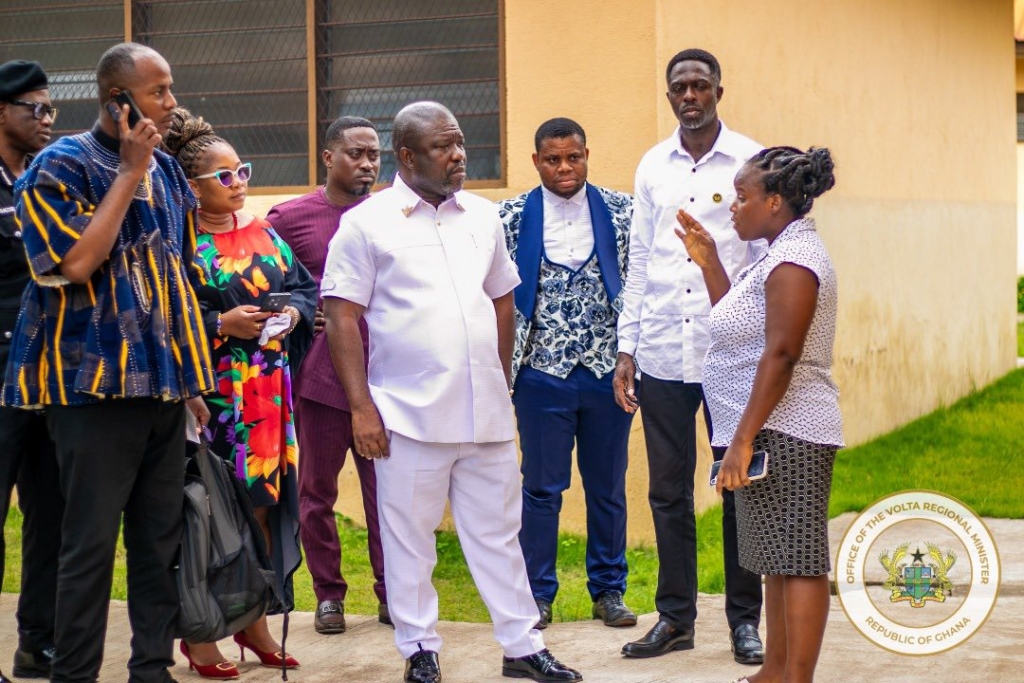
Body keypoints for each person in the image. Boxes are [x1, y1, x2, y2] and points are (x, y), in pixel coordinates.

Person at [322, 101, 582, 683]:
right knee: (410, 540)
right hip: (407, 416)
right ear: (408, 156)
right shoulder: (367, 223)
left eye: (460, 142)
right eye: (443, 146)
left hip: (484, 412)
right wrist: (361, 409)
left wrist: (500, 377)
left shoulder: (483, 218)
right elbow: (341, 316)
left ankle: (522, 646)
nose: (459, 155)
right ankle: (419, 649)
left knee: (500, 535)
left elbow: (502, 299)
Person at [2, 43, 213, 683]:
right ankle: (74, 674)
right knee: (88, 545)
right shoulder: (58, 166)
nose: (171, 104)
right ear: (118, 100)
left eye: (170, 89)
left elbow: (175, 278)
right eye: (157, 93)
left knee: (158, 543)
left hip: (162, 389)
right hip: (91, 394)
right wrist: (127, 172)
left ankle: (152, 669)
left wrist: (190, 382)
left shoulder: (169, 173)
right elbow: (73, 264)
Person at [614, 48, 765, 662]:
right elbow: (640, 260)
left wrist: (757, 342)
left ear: (719, 92)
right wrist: (626, 348)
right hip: (662, 353)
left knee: (740, 486)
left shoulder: (752, 161)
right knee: (667, 492)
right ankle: (675, 618)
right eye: (680, 87)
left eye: (700, 85)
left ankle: (744, 621)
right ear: (669, 94)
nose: (690, 96)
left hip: (728, 352)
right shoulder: (653, 165)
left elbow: (763, 257)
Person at [675, 146, 842, 683]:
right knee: (776, 558)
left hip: (791, 430)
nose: (734, 206)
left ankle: (796, 678)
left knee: (799, 559)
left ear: (774, 202)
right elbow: (740, 327)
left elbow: (782, 353)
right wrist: (710, 263)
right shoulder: (773, 254)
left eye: (742, 196)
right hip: (767, 427)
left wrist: (743, 440)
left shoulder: (795, 262)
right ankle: (774, 671)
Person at [164, 107, 317, 679]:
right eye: (223, 176)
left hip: (269, 395)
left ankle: (253, 622)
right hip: (214, 396)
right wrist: (219, 324)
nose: (238, 183)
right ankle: (201, 635)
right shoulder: (178, 242)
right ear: (192, 186)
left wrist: (292, 315)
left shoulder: (263, 231)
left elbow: (303, 288)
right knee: (212, 512)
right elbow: (165, 314)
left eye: (242, 171)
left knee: (262, 507)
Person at [497, 117, 635, 630]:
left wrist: (631, 356)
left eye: (573, 157)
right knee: (540, 488)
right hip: (541, 372)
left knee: (607, 486)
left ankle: (609, 591)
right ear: (536, 161)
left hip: (607, 372)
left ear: (586, 155)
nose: (564, 168)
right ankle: (537, 594)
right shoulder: (509, 217)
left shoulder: (623, 211)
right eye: (552, 159)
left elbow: (639, 284)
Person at [266, 115, 389, 634]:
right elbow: (265, 283)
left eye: (374, 155)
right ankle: (329, 596)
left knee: (387, 494)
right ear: (328, 157)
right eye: (355, 154)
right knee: (317, 492)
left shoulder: (391, 213)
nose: (366, 164)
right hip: (321, 379)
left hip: (386, 375)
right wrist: (301, 310)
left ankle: (392, 593)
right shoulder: (290, 218)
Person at [0, 59, 62, 683]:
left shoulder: (47, 178)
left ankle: (37, 644)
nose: (46, 120)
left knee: (51, 515)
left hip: (49, 377)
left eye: (51, 110)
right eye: (34, 109)